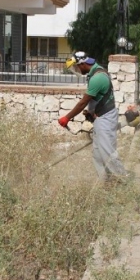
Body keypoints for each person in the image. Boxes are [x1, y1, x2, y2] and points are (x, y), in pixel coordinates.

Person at [58, 51, 130, 182]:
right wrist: (91, 112)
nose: (77, 70)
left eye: (77, 67)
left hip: (105, 119)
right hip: (100, 117)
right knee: (98, 155)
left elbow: (83, 102)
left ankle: (124, 180)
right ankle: (106, 183)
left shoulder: (98, 78)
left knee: (108, 153)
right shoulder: (94, 72)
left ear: (84, 64)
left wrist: (67, 118)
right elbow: (97, 98)